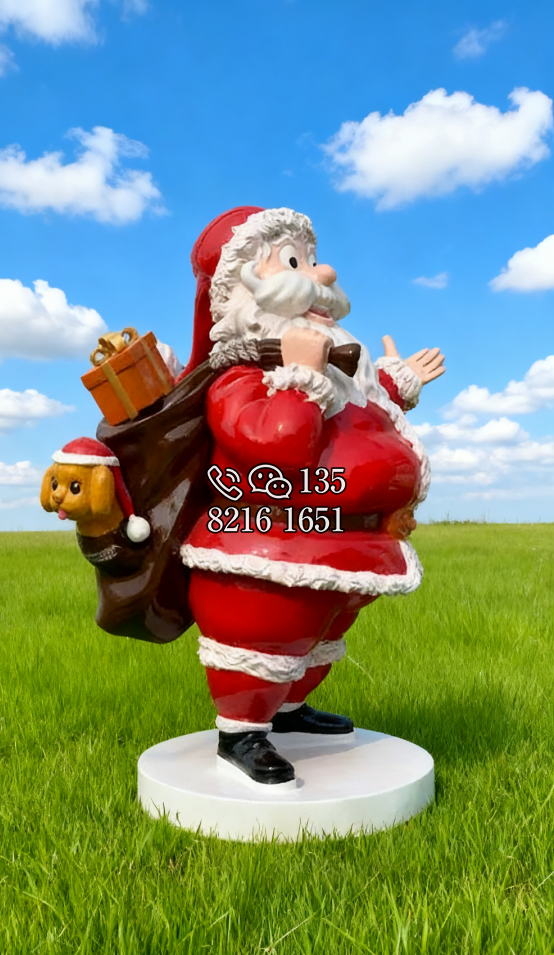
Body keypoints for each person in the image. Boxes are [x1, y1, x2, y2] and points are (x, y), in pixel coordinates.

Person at [177, 206, 445, 785]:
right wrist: (301, 376)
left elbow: (361, 402)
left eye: (314, 260)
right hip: (269, 551)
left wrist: (395, 380)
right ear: (244, 290)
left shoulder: (333, 370)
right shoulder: (242, 381)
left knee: (318, 641)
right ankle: (241, 732)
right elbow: (281, 448)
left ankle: (291, 710)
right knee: (266, 641)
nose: (324, 275)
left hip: (349, 546)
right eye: (295, 262)